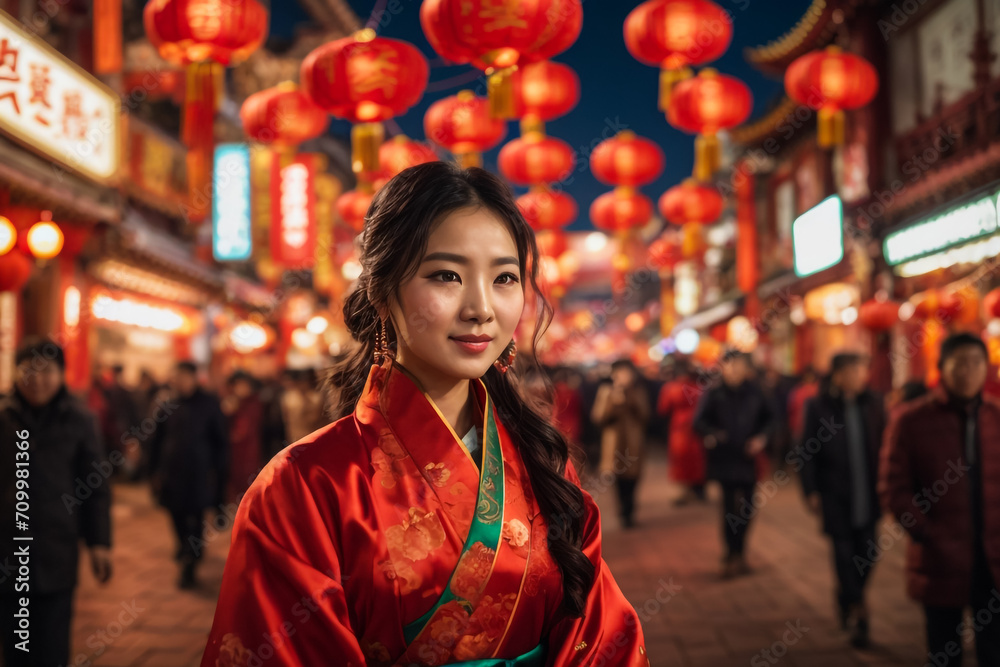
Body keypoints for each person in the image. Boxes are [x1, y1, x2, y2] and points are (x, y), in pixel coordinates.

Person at [201, 162, 648, 666]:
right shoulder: (304, 485)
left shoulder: (542, 461)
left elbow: (602, 634)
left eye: (504, 277)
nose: (481, 307)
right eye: (446, 275)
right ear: (382, 291)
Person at [880, 333, 1000, 666]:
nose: (969, 371)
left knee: (994, 648)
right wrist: (927, 534)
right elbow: (894, 489)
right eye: (960, 363)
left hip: (993, 559)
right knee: (944, 650)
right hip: (940, 556)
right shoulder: (912, 421)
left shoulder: (995, 416)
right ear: (941, 368)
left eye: (977, 363)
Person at [0, 337, 112, 666]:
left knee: (52, 644)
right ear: (15, 373)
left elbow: (95, 487)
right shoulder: (3, 418)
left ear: (61, 374)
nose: (37, 379)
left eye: (46, 370)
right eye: (28, 370)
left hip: (57, 549)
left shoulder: (80, 420)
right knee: (16, 645)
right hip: (7, 549)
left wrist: (99, 543)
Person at [800, 353, 885, 647]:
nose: (858, 376)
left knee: (869, 553)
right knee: (843, 553)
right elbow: (806, 452)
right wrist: (810, 490)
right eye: (851, 370)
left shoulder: (874, 404)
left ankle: (848, 596)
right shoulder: (818, 406)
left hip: (869, 492)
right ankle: (858, 608)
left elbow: (887, 447)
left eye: (861, 370)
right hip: (835, 493)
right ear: (836, 375)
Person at [693, 349, 774, 578]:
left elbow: (772, 419)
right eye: (730, 365)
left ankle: (741, 551)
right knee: (729, 508)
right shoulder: (714, 393)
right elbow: (698, 422)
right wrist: (714, 435)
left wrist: (761, 438)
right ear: (722, 368)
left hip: (749, 459)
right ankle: (730, 553)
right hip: (725, 458)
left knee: (747, 507)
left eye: (739, 365)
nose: (735, 370)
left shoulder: (756, 392)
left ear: (746, 368)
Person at [150, 361, 229, 589]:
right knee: (175, 515)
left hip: (198, 474)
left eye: (184, 377)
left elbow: (220, 442)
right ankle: (184, 547)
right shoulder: (167, 404)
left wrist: (219, 471)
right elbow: (157, 440)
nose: (180, 382)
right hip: (171, 474)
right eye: (177, 377)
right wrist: (153, 470)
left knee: (195, 518)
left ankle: (190, 564)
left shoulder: (209, 404)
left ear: (195, 378)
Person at [591, 359, 650, 528]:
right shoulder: (606, 391)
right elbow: (598, 417)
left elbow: (645, 415)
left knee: (633, 478)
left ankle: (630, 510)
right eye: (620, 373)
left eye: (627, 373)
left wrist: (629, 399)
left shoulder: (638, 392)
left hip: (633, 443)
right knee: (617, 478)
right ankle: (623, 511)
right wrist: (612, 401)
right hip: (614, 444)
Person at [657, 359, 706, 505]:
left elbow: (663, 409)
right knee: (697, 458)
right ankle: (698, 489)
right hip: (697, 426)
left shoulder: (670, 388)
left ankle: (685, 490)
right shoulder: (698, 387)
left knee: (680, 459)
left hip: (678, 427)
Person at [221, 370, 264, 505]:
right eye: (237, 385)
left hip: (252, 448)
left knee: (251, 479)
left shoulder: (256, 403)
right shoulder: (232, 403)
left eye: (243, 385)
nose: (240, 388)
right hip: (235, 450)